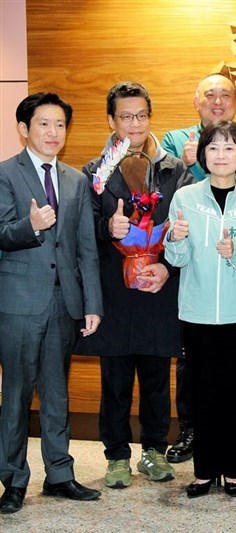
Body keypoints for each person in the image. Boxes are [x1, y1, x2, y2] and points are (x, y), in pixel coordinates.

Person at [75, 82, 192, 489]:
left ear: (150, 117)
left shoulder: (175, 169)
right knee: (116, 379)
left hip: (159, 287)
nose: (134, 124)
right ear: (111, 121)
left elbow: (186, 231)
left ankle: (155, 451)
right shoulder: (93, 172)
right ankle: (116, 456)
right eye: (125, 116)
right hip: (114, 288)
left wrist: (166, 269)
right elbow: (81, 232)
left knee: (158, 376)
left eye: (141, 115)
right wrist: (108, 227)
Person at [161, 73, 236, 463]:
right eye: (214, 148)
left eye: (230, 149)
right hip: (195, 311)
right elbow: (176, 259)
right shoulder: (185, 197)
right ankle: (204, 469)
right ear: (203, 156)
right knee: (201, 390)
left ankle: (235, 469)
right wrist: (174, 240)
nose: (222, 155)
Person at [0, 93, 103, 514]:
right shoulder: (5, 174)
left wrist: (92, 303)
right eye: (44, 124)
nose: (53, 132)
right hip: (19, 302)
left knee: (58, 394)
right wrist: (30, 226)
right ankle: (13, 480)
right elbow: (2, 233)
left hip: (64, 304)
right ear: (24, 128)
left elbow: (86, 250)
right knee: (17, 394)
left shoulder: (76, 180)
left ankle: (60, 474)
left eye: (59, 124)